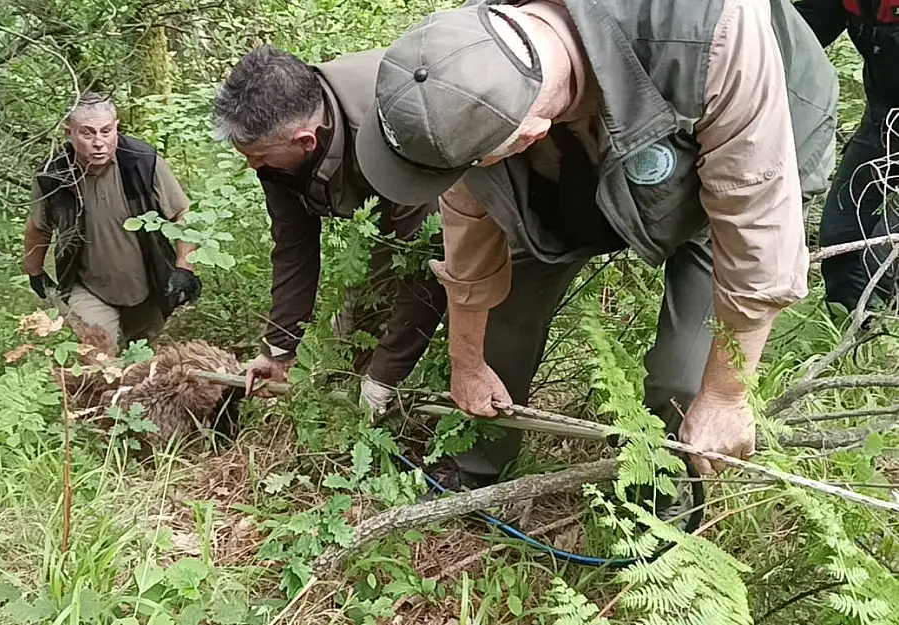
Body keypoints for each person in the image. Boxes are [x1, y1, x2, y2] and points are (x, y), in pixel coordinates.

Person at [353, 0, 837, 486]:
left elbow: (756, 232)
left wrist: (728, 394)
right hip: (590, 132)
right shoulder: (470, 75)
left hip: (756, 140)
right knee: (506, 316)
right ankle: (478, 465)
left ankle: (661, 504)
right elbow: (471, 239)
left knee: (682, 383)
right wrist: (467, 360)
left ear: (528, 136)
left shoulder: (715, 28)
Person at [212, 45, 448, 414]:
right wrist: (278, 349)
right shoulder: (277, 144)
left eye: (258, 157)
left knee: (481, 305)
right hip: (392, 207)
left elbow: (429, 262)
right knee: (367, 301)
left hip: (481, 188)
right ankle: (352, 393)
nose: (252, 166)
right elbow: (294, 246)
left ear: (306, 141)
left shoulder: (397, 124)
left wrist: (386, 375)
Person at [24, 92, 203, 356]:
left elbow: (183, 214)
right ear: (69, 133)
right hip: (88, 286)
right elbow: (38, 227)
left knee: (144, 360)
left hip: (150, 285)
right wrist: (35, 271)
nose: (99, 142)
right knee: (97, 356)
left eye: (106, 131)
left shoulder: (142, 162)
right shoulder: (53, 175)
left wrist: (184, 269)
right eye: (87, 134)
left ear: (116, 127)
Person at [796, 0, 899, 313]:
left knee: (885, 253)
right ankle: (850, 338)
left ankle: (884, 341)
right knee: (841, 235)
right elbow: (798, 37)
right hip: (883, 121)